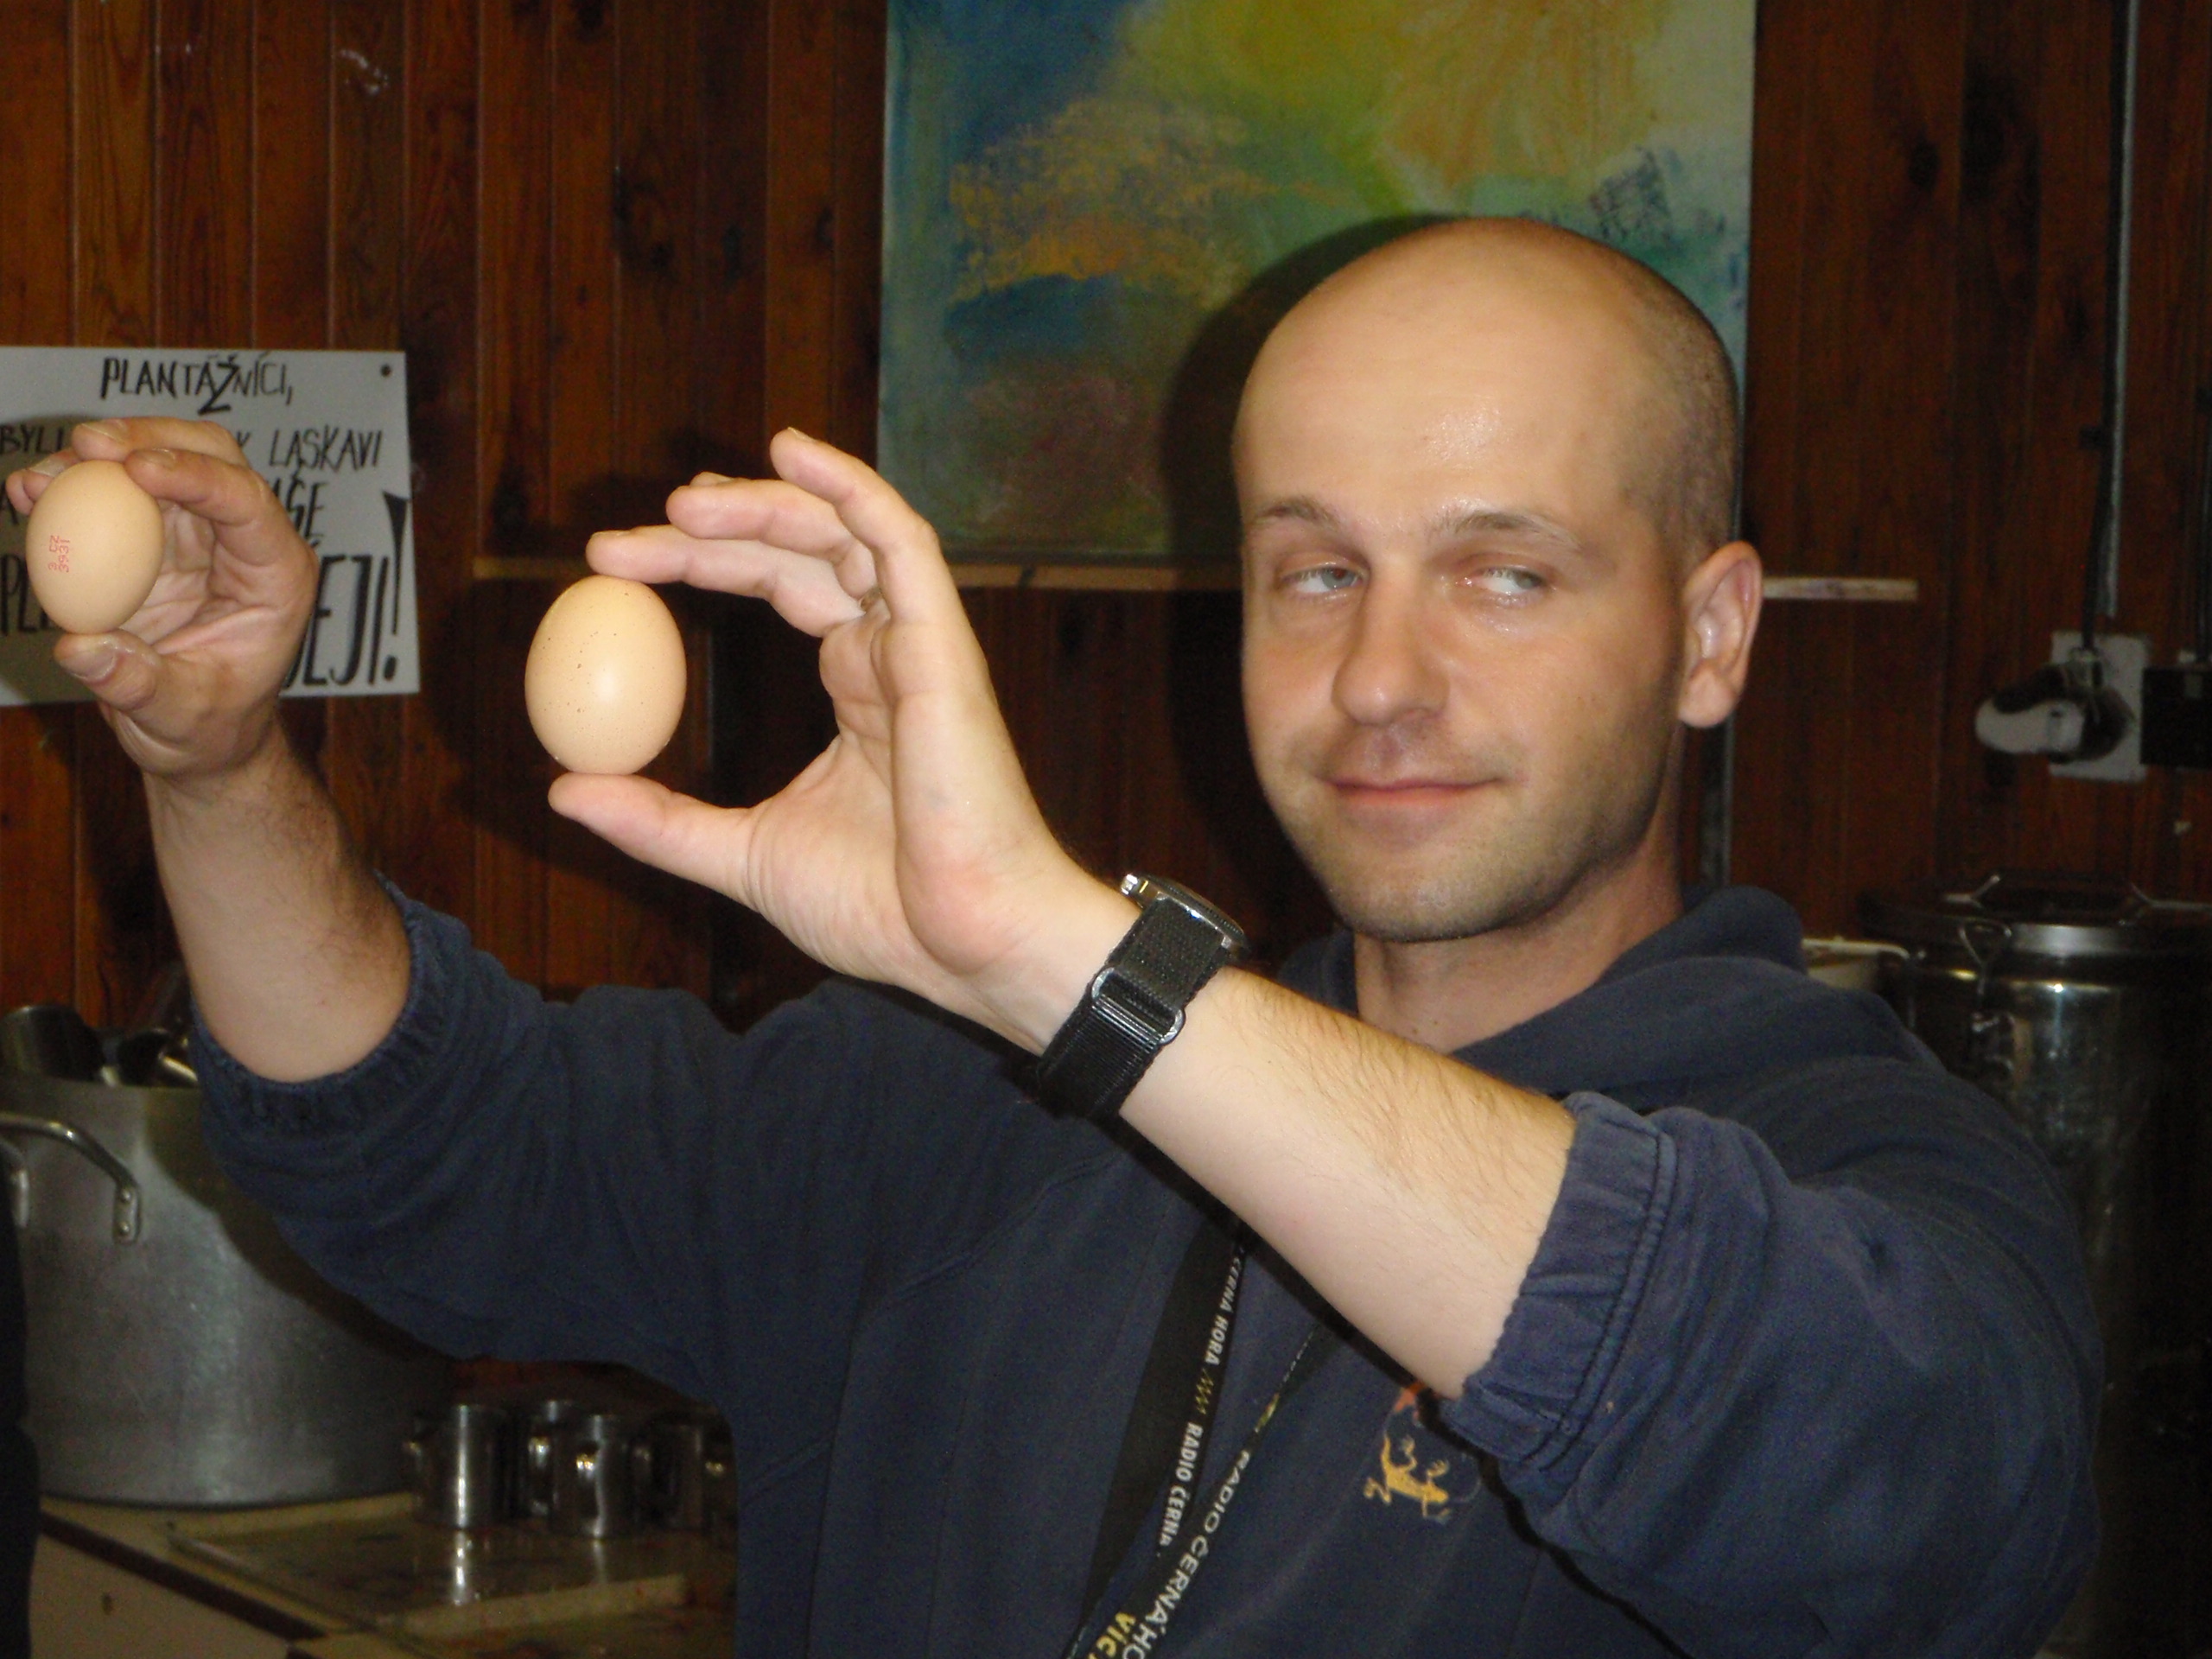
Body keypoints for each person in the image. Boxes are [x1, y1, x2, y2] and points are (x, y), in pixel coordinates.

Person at [8, 219, 2096, 1657]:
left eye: (1504, 575)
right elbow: (424, 1142)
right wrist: (217, 767)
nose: (1381, 679)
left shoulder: (1871, 1169)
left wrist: (1064, 964)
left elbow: (1895, 1504)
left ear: (1710, 634)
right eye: (1312, 573)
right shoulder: (982, 1105)